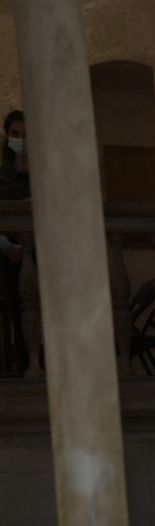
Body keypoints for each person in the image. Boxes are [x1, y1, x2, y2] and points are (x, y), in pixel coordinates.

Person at [0, 110, 28, 376]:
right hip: (11, 257)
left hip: (44, 255)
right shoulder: (1, 177)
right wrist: (7, 247)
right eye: (16, 134)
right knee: (19, 315)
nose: (20, 139)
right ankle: (24, 367)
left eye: (25, 135)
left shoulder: (43, 173)